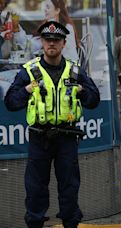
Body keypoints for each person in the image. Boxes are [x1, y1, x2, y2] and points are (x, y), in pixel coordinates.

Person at [4, 21, 100, 228]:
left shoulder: (75, 72)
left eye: (56, 40)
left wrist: (82, 90)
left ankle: (70, 222)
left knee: (69, 187)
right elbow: (10, 103)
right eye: (48, 40)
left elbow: (94, 100)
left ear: (64, 43)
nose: (51, 44)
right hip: (40, 138)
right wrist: (27, 90)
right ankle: (35, 223)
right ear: (42, 42)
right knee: (36, 188)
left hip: (67, 138)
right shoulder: (29, 71)